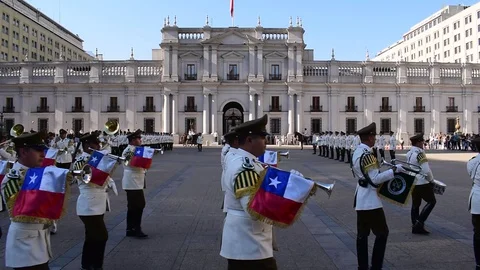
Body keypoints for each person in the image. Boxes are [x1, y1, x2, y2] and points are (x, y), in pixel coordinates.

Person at [220, 114, 277, 269]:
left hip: (244, 244)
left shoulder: (246, 162)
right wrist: (289, 197)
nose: (266, 141)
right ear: (250, 140)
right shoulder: (245, 168)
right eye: (262, 137)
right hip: (249, 245)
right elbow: (253, 208)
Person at [351, 122, 406, 270]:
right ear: (369, 137)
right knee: (382, 233)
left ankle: (362, 266)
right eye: (373, 136)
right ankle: (376, 266)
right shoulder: (368, 155)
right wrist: (394, 172)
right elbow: (374, 179)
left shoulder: (356, 152)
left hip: (360, 198)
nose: (375, 139)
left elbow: (364, 175)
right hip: (370, 201)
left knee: (362, 235)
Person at [0, 132, 53, 270]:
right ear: (23, 151)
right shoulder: (14, 178)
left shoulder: (36, 173)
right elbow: (20, 213)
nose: (43, 154)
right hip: (24, 247)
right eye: (38, 150)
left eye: (43, 150)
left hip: (38, 244)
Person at [73, 132, 118, 270]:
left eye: (98, 143)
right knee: (101, 236)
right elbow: (87, 179)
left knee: (92, 236)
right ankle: (96, 265)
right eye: (95, 143)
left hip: (97, 202)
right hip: (88, 204)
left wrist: (111, 164)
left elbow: (105, 176)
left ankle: (87, 264)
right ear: (87, 145)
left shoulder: (97, 158)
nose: (98, 146)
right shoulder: (81, 160)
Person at [407, 133, 435, 234]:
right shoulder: (420, 154)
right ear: (418, 142)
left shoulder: (409, 153)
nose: (423, 143)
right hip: (421, 181)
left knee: (415, 204)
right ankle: (419, 222)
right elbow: (426, 170)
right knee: (432, 201)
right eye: (422, 141)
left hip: (412, 180)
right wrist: (431, 181)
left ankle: (415, 225)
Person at [122, 129, 148, 238]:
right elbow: (131, 163)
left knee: (134, 206)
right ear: (133, 140)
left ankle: (131, 228)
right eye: (138, 138)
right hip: (132, 181)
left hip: (136, 180)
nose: (140, 140)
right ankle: (136, 228)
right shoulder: (129, 150)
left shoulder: (135, 149)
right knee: (138, 205)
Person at [468, 136, 480, 270]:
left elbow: (471, 175)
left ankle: (478, 263)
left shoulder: (471, 162)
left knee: (477, 232)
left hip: (477, 200)